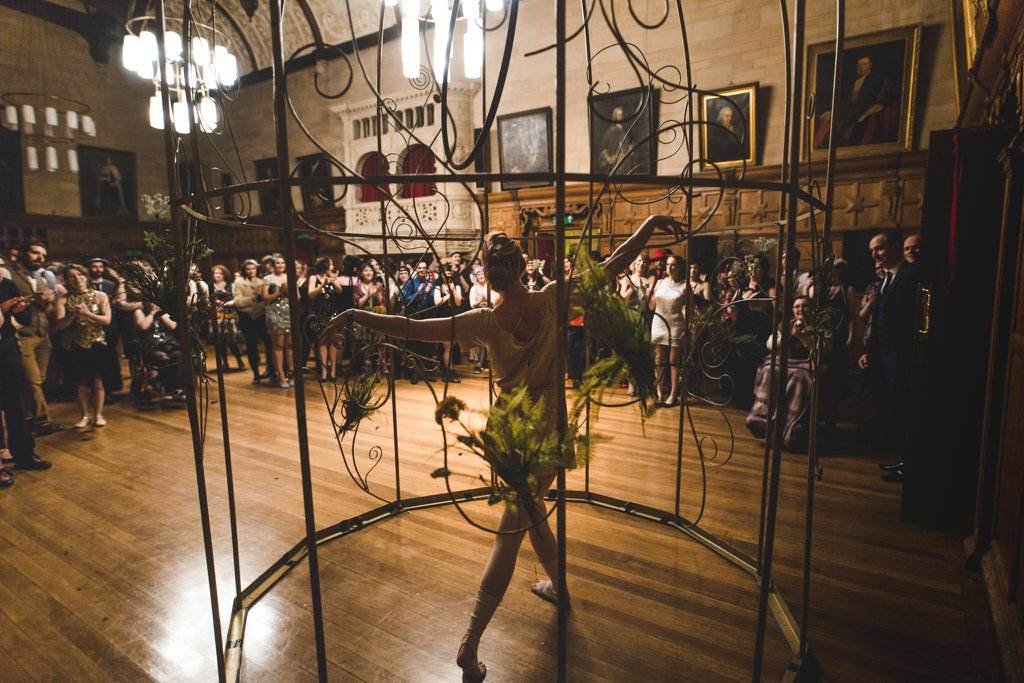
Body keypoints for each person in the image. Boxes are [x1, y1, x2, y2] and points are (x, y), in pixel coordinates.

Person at [319, 214, 683, 682]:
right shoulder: (553, 298)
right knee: (519, 523)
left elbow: (407, 327)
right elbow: (612, 265)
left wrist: (354, 314)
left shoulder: (483, 323)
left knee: (525, 517)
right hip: (547, 427)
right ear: (523, 268)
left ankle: (533, 605)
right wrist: (647, 223)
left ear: (489, 277)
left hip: (512, 433)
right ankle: (473, 644)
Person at [859, 230, 922, 482]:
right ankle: (902, 460)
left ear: (895, 247)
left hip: (902, 356)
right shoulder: (888, 278)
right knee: (895, 409)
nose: (875, 254)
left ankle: (910, 464)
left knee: (906, 411)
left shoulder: (911, 274)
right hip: (885, 356)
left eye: (880, 248)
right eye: (872, 250)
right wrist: (868, 351)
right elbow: (879, 320)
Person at [745, 296, 819, 450]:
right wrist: (787, 335)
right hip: (786, 361)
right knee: (768, 371)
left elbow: (821, 352)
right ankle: (762, 419)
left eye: (804, 306)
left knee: (800, 378)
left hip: (806, 363)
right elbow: (770, 344)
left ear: (812, 308)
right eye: (797, 306)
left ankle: (788, 426)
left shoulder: (818, 325)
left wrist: (803, 337)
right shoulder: (786, 324)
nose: (800, 309)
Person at [0, 277, 52, 476]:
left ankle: (24, 455)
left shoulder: (6, 285)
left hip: (6, 348)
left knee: (16, 404)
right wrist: (4, 308)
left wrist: (21, 310)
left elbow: (25, 319)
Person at [8, 240, 59, 434]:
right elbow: (8, 304)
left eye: (43, 256)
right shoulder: (10, 275)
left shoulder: (41, 278)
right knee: (33, 380)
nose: (40, 258)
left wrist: (50, 302)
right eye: (36, 253)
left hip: (42, 334)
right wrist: (36, 299)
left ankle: (27, 418)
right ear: (23, 252)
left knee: (40, 379)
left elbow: (48, 309)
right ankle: (42, 421)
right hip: (22, 334)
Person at [55, 265, 112, 428]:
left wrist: (87, 314)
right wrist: (73, 314)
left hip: (97, 342)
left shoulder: (101, 296)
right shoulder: (63, 299)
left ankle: (99, 414)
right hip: (75, 344)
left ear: (86, 276)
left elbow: (107, 320)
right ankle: (84, 415)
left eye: (80, 274)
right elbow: (59, 325)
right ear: (67, 280)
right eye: (72, 276)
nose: (77, 278)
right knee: (80, 381)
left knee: (97, 380)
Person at [650, 255, 689, 406]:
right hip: (658, 322)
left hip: (675, 324)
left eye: (673, 265)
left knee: (674, 361)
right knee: (659, 360)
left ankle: (673, 394)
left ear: (679, 267)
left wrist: (687, 328)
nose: (669, 268)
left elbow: (689, 309)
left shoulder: (685, 286)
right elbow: (651, 306)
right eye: (667, 265)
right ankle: (659, 393)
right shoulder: (659, 283)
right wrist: (649, 291)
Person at [231, 259, 273, 384]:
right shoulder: (239, 282)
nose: (251, 271)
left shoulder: (262, 282)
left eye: (253, 268)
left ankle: (270, 369)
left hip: (261, 316)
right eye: (248, 269)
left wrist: (251, 302)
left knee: (269, 344)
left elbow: (266, 302)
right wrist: (254, 299)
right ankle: (255, 374)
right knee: (251, 345)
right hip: (247, 317)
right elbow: (238, 302)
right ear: (244, 270)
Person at [262, 255, 292, 388]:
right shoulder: (268, 279)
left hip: (289, 312)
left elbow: (297, 297)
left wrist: (290, 291)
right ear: (273, 265)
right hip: (274, 313)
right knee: (278, 345)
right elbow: (265, 298)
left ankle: (291, 373)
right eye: (277, 263)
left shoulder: (289, 277)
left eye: (282, 263)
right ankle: (280, 375)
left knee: (290, 345)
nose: (280, 265)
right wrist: (280, 293)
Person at [211, 265, 245, 371]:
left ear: (224, 274)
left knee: (231, 340)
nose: (218, 275)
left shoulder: (231, 285)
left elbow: (236, 297)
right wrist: (215, 302)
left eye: (220, 273)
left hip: (230, 315)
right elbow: (207, 299)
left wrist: (227, 303)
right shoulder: (210, 286)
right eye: (216, 273)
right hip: (217, 315)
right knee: (220, 340)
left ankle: (239, 360)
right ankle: (224, 363)